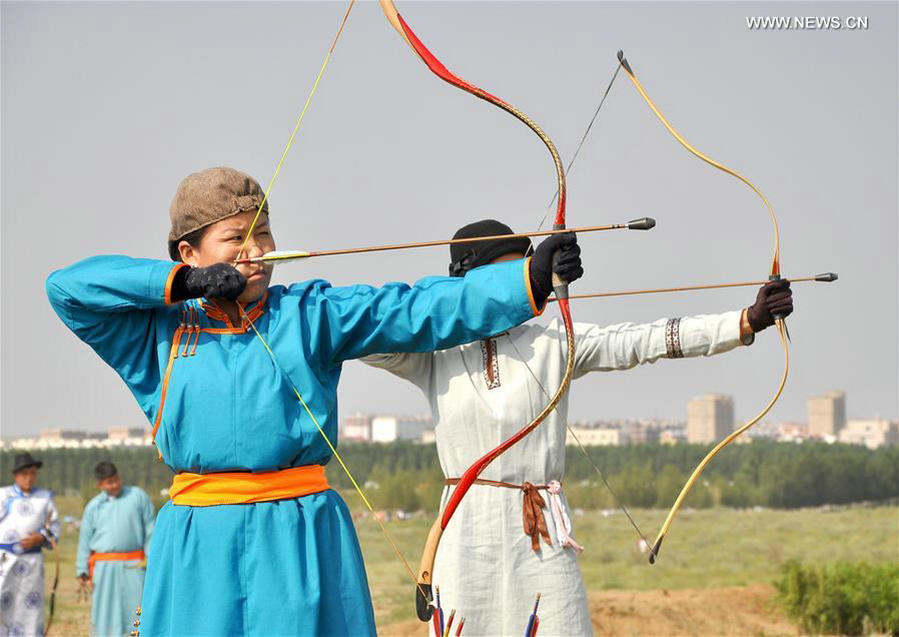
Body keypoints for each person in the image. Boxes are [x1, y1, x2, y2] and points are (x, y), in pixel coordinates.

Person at [45, 167, 584, 636]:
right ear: (189, 251)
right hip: (196, 540)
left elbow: (412, 308)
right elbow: (67, 288)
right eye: (236, 239)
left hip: (298, 534)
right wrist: (183, 283)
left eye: (264, 236)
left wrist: (526, 281)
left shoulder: (310, 313)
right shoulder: (155, 336)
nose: (256, 253)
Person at [362, 219, 794, 636]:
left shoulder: (553, 341)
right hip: (463, 537)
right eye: (508, 275)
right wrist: (454, 305)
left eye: (527, 269)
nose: (521, 284)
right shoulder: (433, 353)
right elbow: (367, 334)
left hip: (540, 532)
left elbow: (645, 340)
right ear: (466, 281)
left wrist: (746, 320)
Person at [76, 461, 155, 637]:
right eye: (109, 482)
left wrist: (152, 559)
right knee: (105, 611)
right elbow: (85, 539)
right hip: (104, 568)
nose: (114, 485)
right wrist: (82, 570)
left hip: (135, 565)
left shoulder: (138, 497)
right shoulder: (94, 506)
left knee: (136, 609)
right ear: (100, 484)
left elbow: (150, 529)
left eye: (116, 479)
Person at [0, 452, 60, 637]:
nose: (29, 477)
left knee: (30, 611)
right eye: (24, 474)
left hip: (32, 564)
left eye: (32, 473)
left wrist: (41, 538)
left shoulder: (45, 498)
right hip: (4, 562)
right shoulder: (3, 495)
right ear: (15, 475)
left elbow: (55, 527)